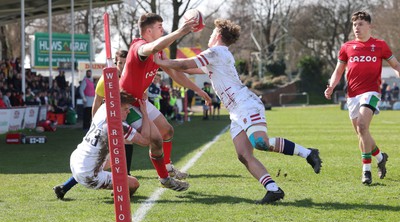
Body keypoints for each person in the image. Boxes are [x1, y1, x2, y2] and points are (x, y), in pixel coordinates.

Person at [154, 18, 322, 204]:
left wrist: (164, 61)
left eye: (211, 34)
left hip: (245, 103)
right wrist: (163, 64)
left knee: (260, 142)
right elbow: (190, 70)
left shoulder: (216, 52)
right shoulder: (216, 55)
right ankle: (273, 189)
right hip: (236, 110)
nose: (209, 36)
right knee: (243, 154)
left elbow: (185, 65)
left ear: (217, 35)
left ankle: (308, 153)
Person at [118, 13, 211, 189]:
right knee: (155, 140)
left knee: (167, 131)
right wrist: (181, 31)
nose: (163, 29)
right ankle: (165, 179)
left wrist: (198, 90)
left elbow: (175, 73)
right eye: (160, 26)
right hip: (126, 105)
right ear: (148, 30)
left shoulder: (158, 52)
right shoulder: (139, 46)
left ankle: (167, 168)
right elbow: (151, 48)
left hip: (140, 100)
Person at [324, 11, 399, 185]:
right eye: (355, 25)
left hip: (371, 92)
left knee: (363, 126)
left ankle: (366, 171)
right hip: (352, 96)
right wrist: (331, 86)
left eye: (361, 24)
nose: (357, 28)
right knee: (361, 132)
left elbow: (395, 65)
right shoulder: (347, 47)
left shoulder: (380, 45)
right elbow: (338, 71)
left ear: (369, 26)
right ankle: (380, 157)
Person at [53, 91, 152, 199]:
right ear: (116, 108)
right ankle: (119, 193)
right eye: (125, 109)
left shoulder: (103, 109)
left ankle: (64, 188)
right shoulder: (118, 125)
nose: (128, 112)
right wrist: (144, 113)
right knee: (134, 184)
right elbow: (145, 141)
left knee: (112, 159)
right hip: (89, 176)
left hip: (76, 158)